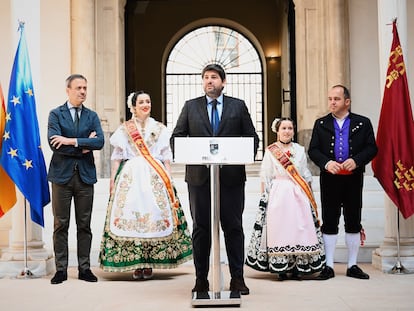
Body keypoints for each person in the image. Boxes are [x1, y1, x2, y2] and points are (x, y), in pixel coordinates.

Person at [171, 63, 259, 295]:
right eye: (206, 78)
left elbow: (252, 138)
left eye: (214, 77)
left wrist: (239, 155)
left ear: (223, 82)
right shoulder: (191, 107)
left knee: (233, 227)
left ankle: (237, 279)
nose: (209, 81)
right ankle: (201, 279)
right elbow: (177, 138)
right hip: (199, 179)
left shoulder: (237, 107)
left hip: (230, 179)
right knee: (201, 229)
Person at [99, 91, 192, 279]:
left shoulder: (160, 129)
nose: (145, 104)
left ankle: (150, 262)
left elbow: (166, 157)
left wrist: (169, 180)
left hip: (155, 177)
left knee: (155, 217)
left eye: (148, 101)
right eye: (141, 102)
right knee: (130, 215)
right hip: (130, 177)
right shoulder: (125, 129)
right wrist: (112, 180)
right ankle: (135, 262)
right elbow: (116, 157)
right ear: (133, 106)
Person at [308, 84, 377, 280]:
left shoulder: (363, 123)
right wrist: (327, 163)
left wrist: (356, 160)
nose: (332, 102)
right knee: (330, 220)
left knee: (353, 220)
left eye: (336, 99)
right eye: (330, 98)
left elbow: (372, 148)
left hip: (353, 179)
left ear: (347, 102)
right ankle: (328, 265)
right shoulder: (321, 124)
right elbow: (313, 150)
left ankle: (352, 265)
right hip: (330, 178)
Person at [246, 117, 325, 280]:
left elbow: (305, 173)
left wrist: (310, 195)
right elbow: (265, 175)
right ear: (278, 131)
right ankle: (281, 267)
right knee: (280, 229)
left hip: (298, 194)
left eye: (290, 128)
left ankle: (297, 267)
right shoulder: (271, 151)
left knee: (298, 228)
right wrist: (264, 199)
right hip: (278, 194)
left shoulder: (300, 149)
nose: (287, 131)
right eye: (284, 128)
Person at [47, 74, 105, 284]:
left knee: (84, 225)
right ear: (68, 90)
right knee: (60, 224)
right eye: (79, 88)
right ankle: (60, 269)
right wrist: (83, 146)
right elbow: (54, 144)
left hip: (85, 177)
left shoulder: (92, 116)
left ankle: (85, 268)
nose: (83, 92)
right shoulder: (55, 114)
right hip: (61, 177)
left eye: (85, 88)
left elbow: (99, 142)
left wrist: (69, 140)